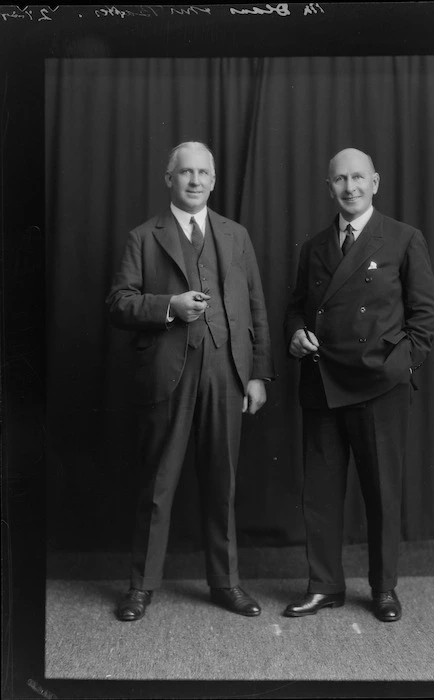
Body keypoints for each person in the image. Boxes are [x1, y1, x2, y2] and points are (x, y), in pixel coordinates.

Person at [106, 141, 275, 621]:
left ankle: (226, 583)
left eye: (203, 173)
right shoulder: (144, 236)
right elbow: (118, 303)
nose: (195, 180)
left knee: (222, 481)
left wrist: (258, 374)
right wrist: (168, 307)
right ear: (169, 180)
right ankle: (141, 586)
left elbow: (256, 307)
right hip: (168, 373)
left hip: (227, 371)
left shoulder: (236, 235)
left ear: (214, 181)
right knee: (159, 484)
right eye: (185, 173)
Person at [283, 148, 434, 622]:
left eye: (357, 178)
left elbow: (426, 316)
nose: (349, 187)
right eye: (339, 180)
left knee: (381, 492)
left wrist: (396, 367)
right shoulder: (314, 246)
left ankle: (384, 588)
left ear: (375, 182)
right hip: (322, 381)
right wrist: (294, 332)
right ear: (328, 187)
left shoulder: (403, 238)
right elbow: (296, 305)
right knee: (322, 493)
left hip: (378, 385)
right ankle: (324, 585)